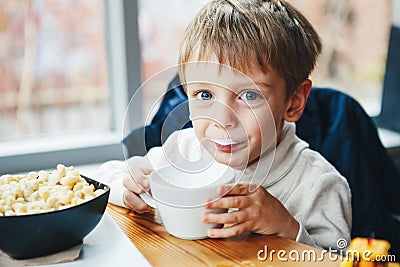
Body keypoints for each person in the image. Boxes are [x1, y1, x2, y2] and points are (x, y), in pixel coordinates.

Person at [96, 0, 351, 250]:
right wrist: (125, 186)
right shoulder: (185, 149)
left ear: (293, 102)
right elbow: (101, 179)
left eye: (249, 96)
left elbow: (338, 258)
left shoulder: (319, 184)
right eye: (205, 95)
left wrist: (287, 227)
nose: (223, 119)